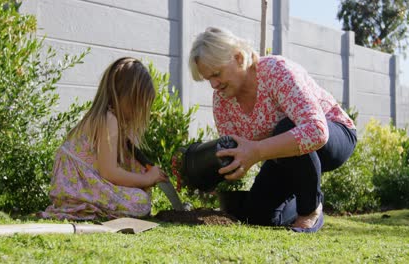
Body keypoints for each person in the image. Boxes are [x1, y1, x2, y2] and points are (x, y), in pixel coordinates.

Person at [188, 27, 357, 232]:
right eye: (208, 79)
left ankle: (310, 209)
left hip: (334, 136)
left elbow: (316, 131)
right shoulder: (222, 100)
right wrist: (205, 174)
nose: (214, 84)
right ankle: (301, 196)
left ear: (239, 58)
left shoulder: (276, 71)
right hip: (282, 155)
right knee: (258, 215)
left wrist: (257, 151)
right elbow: (235, 151)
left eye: (217, 74)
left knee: (287, 126)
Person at [40, 57, 168, 220]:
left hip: (78, 186)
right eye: (138, 105)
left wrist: (142, 172)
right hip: (79, 187)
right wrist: (146, 179)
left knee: (139, 194)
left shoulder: (108, 119)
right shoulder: (109, 120)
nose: (138, 112)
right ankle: (83, 207)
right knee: (140, 202)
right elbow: (109, 172)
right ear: (126, 97)